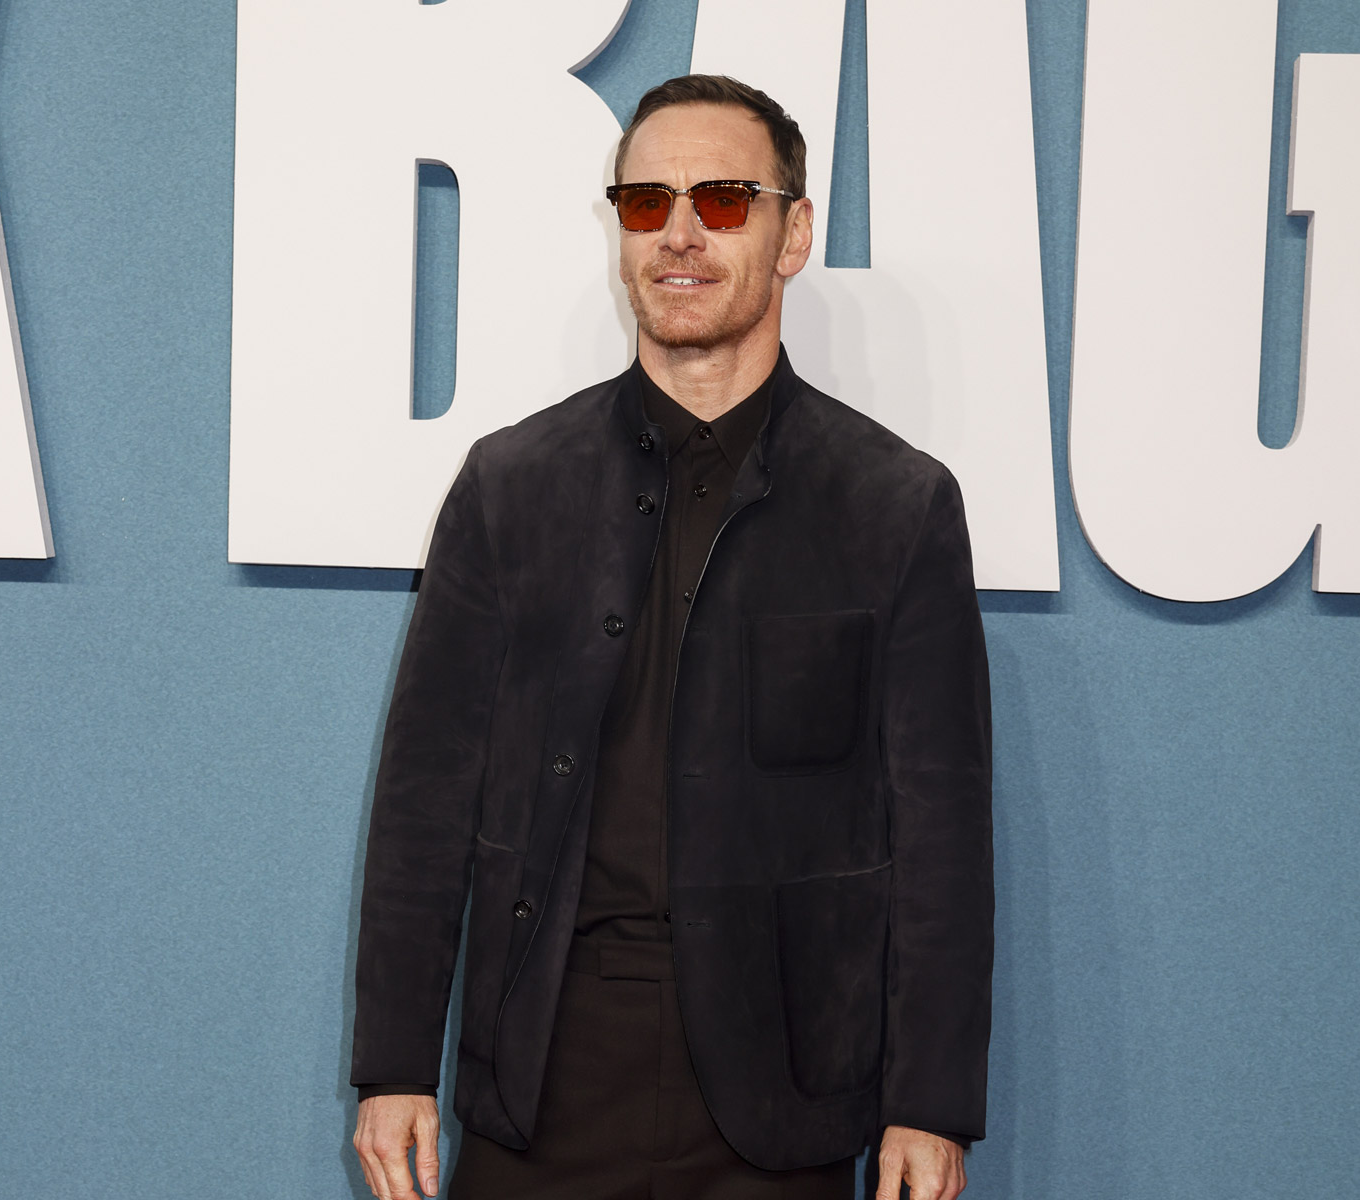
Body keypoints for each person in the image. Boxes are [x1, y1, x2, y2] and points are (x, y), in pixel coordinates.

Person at [348, 74, 993, 1200]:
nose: (680, 234)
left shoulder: (897, 505)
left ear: (794, 235)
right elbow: (425, 799)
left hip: (781, 1104)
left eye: (724, 200)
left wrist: (929, 1102)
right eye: (646, 203)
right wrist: (395, 1066)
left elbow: (940, 838)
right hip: (542, 1081)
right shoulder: (511, 487)